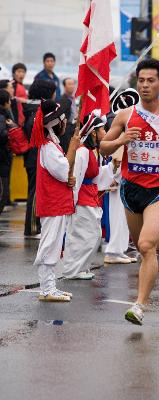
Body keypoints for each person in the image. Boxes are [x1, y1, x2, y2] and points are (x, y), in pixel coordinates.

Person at [100, 58, 159, 325]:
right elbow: (103, 148)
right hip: (131, 189)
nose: (144, 85)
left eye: (150, 81)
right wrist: (121, 139)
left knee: (144, 246)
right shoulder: (125, 115)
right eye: (141, 80)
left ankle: (139, 305)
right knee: (145, 247)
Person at [31, 99, 80, 302]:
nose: (65, 124)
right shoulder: (49, 147)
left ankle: (50, 287)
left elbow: (61, 173)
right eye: (63, 120)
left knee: (54, 245)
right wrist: (73, 148)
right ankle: (46, 289)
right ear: (55, 123)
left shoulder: (51, 145)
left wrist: (68, 179)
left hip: (56, 204)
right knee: (50, 245)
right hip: (52, 205)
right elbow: (62, 170)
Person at [62, 112, 115, 279]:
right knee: (83, 235)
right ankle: (73, 270)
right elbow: (75, 178)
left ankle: (81, 267)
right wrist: (72, 202)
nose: (105, 133)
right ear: (93, 132)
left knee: (91, 235)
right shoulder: (83, 152)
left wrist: (112, 166)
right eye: (102, 130)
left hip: (89, 196)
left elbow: (96, 175)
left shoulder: (92, 151)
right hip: (81, 199)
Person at [23, 80, 57, 238]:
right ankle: (32, 227)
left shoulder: (32, 109)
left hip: (34, 156)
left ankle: (35, 225)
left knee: (36, 191)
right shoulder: (36, 112)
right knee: (35, 192)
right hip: (34, 157)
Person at [0, 89, 13, 213]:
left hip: (3, 158)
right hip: (2, 158)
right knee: (3, 194)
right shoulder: (2, 117)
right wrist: (11, 130)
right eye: (9, 100)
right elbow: (2, 134)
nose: (10, 103)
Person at [60, 78, 77, 153]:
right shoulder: (63, 99)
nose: (72, 86)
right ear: (64, 86)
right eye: (69, 84)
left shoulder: (73, 98)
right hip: (67, 128)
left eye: (73, 84)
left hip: (73, 127)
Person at [12, 63, 28, 127]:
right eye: (19, 71)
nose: (21, 74)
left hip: (22, 118)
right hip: (16, 119)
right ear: (13, 73)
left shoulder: (21, 85)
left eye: (23, 72)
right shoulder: (12, 85)